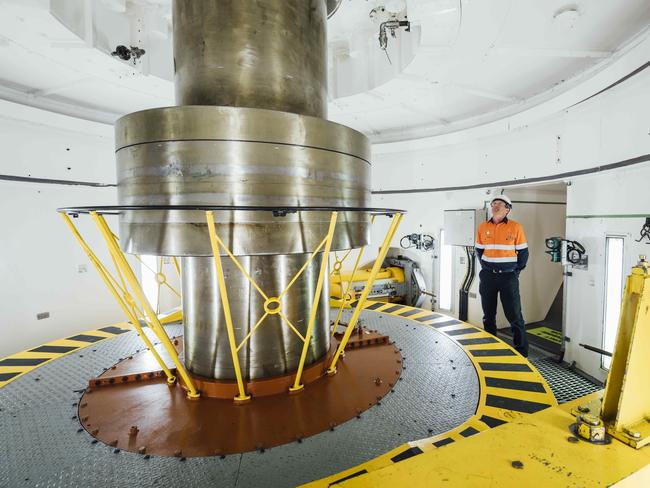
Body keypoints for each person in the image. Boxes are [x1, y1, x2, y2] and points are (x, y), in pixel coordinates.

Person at [475, 195, 529, 356]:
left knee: (515, 316)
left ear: (508, 209)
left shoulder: (516, 227)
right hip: (488, 277)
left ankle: (522, 352)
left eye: (499, 203)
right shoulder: (482, 227)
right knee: (488, 315)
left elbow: (524, 253)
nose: (495, 206)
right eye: (493, 203)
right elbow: (479, 251)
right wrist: (486, 267)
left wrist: (515, 272)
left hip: (508, 278)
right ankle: (490, 347)